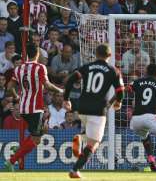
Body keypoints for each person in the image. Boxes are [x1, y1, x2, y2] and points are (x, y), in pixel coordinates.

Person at [63, 44, 124, 178]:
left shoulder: (87, 67)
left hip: (82, 107)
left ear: (96, 54)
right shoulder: (113, 70)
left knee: (89, 133)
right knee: (94, 143)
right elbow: (120, 90)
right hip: (98, 110)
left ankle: (81, 137)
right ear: (110, 56)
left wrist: (66, 99)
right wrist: (118, 102)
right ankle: (75, 170)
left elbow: (70, 80)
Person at [4, 42, 63, 171]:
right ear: (37, 54)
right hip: (35, 108)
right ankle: (12, 160)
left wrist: (16, 96)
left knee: (41, 132)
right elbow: (47, 85)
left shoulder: (18, 68)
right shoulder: (40, 67)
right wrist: (60, 91)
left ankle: (19, 151)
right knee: (36, 140)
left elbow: (9, 88)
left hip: (23, 107)